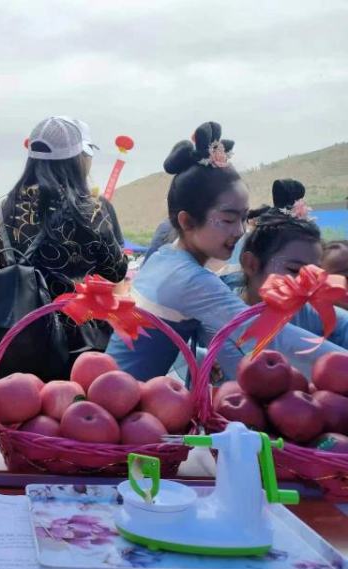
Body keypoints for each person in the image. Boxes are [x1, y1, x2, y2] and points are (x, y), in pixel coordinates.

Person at [106, 121, 342, 382]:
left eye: (243, 218)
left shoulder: (166, 257)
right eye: (228, 220)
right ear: (186, 222)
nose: (240, 231)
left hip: (117, 390)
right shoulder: (189, 278)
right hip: (119, 403)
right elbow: (270, 334)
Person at [0, 115, 128, 354]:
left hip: (11, 338)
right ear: (76, 160)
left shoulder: (1, 209)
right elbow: (116, 270)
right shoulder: (89, 209)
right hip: (73, 343)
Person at [223, 209, 347, 347]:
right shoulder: (220, 317)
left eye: (315, 273)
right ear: (251, 264)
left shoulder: (314, 315)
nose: (310, 284)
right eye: (294, 269)